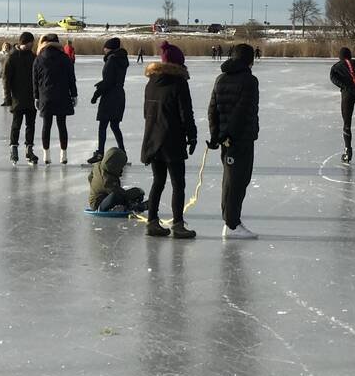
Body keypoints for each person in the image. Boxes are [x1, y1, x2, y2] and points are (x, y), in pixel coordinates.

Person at [140, 41, 198, 239]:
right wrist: (192, 136)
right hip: (172, 139)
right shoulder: (179, 83)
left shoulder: (151, 83)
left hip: (152, 140)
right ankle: (178, 225)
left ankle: (152, 221)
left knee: (158, 181)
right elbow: (186, 113)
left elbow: (146, 113)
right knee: (178, 184)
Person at [208, 42, 259, 240]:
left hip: (226, 139)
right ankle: (231, 224)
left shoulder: (221, 78)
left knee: (231, 179)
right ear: (249, 60)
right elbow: (243, 110)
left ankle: (231, 221)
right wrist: (227, 134)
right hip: (240, 139)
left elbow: (212, 110)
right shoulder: (249, 81)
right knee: (237, 180)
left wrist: (216, 135)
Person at [34, 34, 77, 164]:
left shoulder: (39, 58)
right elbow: (71, 78)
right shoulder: (65, 58)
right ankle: (63, 155)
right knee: (62, 125)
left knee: (46, 125)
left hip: (45, 96)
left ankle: (46, 155)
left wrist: (36, 97)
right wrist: (74, 94)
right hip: (62, 95)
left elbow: (35, 80)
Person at [87, 38, 129, 164]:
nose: (104, 49)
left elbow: (108, 82)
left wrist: (96, 95)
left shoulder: (112, 60)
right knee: (115, 125)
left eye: (105, 47)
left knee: (103, 125)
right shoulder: (122, 59)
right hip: (119, 95)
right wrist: (102, 83)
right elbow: (114, 78)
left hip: (110, 97)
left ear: (109, 48)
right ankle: (122, 151)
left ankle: (100, 153)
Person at [4, 32, 39, 165]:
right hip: (17, 97)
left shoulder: (33, 57)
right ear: (26, 42)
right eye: (31, 42)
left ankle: (29, 149)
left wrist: (38, 95)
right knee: (16, 124)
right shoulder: (12, 57)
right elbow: (6, 79)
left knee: (30, 125)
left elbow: (38, 77)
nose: (32, 45)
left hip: (31, 97)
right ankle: (13, 148)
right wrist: (7, 97)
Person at [88, 147, 145, 212]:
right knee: (116, 195)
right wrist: (137, 191)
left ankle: (126, 205)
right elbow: (120, 193)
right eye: (121, 166)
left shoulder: (98, 165)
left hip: (97, 199)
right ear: (115, 165)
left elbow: (90, 177)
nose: (122, 168)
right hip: (98, 204)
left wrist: (95, 188)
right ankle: (109, 208)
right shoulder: (107, 180)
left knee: (117, 195)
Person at [0, 42, 13, 106]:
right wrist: (6, 55)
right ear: (3, 47)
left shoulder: (11, 53)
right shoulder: (1, 53)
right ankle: (5, 100)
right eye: (5, 46)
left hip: (11, 72)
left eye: (7, 46)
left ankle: (11, 99)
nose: (6, 47)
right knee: (4, 87)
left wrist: (7, 55)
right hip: (3, 72)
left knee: (11, 86)